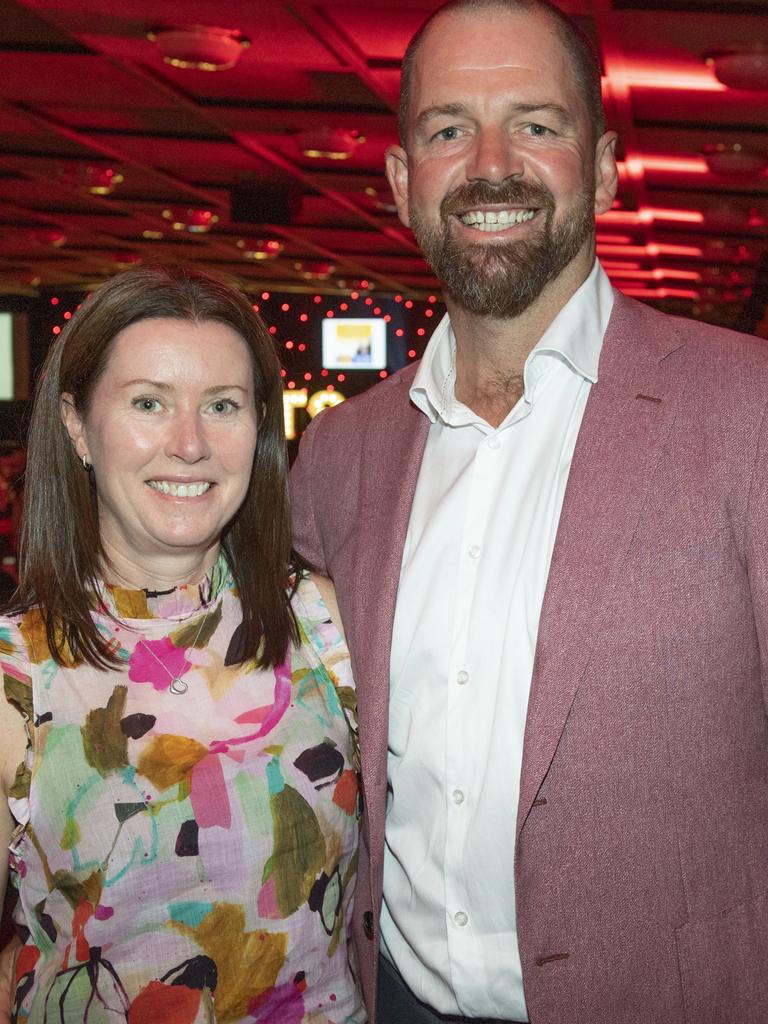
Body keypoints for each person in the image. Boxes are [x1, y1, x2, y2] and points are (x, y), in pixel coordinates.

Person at [290, 1, 768, 1022]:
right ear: (400, 179)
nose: (492, 164)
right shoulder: (337, 457)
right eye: (449, 129)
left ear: (599, 166)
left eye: (537, 125)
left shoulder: (747, 410)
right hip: (396, 999)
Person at [0, 265, 365, 1023]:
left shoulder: (324, 625)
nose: (190, 444)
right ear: (77, 425)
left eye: (222, 406)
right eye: (148, 404)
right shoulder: (16, 673)